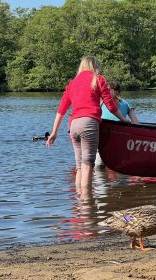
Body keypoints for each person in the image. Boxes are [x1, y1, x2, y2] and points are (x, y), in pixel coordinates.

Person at [46, 56, 129, 188]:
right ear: (94, 66)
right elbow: (111, 106)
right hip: (89, 123)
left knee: (79, 166)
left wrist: (54, 132)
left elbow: (61, 110)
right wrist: (123, 119)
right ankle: (87, 202)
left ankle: (80, 201)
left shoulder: (72, 83)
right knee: (88, 164)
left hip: (73, 126)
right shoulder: (98, 79)